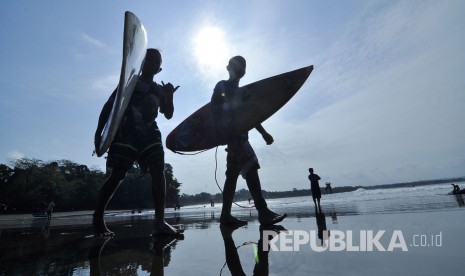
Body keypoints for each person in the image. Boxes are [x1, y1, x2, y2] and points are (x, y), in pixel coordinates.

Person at [93, 48, 181, 237]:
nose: (153, 64)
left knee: (158, 170)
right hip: (127, 132)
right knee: (118, 175)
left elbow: (168, 113)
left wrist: (170, 95)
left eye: (157, 62)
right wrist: (99, 133)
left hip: (150, 132)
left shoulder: (158, 90)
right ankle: (98, 218)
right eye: (149, 60)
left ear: (159, 69)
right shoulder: (130, 83)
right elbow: (110, 105)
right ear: (141, 62)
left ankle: (159, 222)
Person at [211, 56, 286, 226]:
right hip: (233, 137)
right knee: (248, 168)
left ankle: (227, 216)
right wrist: (219, 133)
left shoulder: (243, 91)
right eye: (237, 65)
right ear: (228, 67)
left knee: (235, 175)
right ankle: (262, 212)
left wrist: (263, 133)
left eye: (243, 66)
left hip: (242, 136)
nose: (240, 68)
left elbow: (251, 115)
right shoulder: (222, 85)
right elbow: (213, 110)